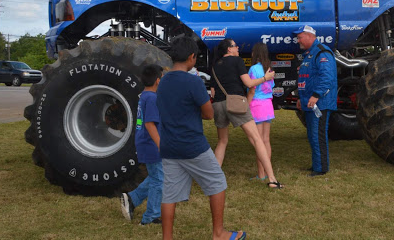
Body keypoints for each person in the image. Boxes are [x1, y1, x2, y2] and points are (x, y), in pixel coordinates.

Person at [156, 37, 246, 240]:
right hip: (193, 145)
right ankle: (219, 233)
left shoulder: (162, 82)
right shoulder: (193, 81)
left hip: (169, 145)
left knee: (169, 194)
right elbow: (208, 114)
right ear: (191, 57)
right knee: (217, 182)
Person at [211, 38, 283, 189]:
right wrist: (265, 78)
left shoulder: (215, 65)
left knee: (222, 141)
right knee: (257, 139)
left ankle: (214, 179)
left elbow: (212, 91)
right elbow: (249, 84)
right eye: (235, 45)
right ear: (229, 49)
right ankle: (272, 179)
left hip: (218, 104)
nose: (238, 47)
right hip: (235, 103)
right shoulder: (237, 61)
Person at [121, 64, 164, 225]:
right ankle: (151, 216)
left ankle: (132, 198)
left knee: (156, 176)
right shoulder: (152, 98)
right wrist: (161, 145)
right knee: (159, 180)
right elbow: (150, 124)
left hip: (145, 142)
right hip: (151, 144)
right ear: (158, 81)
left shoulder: (144, 95)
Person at [294, 25, 337, 177]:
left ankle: (321, 168)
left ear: (310, 36)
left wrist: (316, 96)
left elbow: (327, 78)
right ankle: (316, 165)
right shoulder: (310, 54)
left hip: (320, 103)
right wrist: (302, 98)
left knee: (318, 135)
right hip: (310, 103)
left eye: (300, 37)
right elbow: (308, 79)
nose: (297, 40)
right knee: (313, 135)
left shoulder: (322, 52)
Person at [247, 42, 275, 180]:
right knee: (266, 140)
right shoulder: (268, 69)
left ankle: (262, 174)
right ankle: (266, 170)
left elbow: (252, 88)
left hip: (256, 105)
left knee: (258, 142)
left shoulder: (253, 69)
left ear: (255, 53)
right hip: (268, 105)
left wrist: (247, 103)